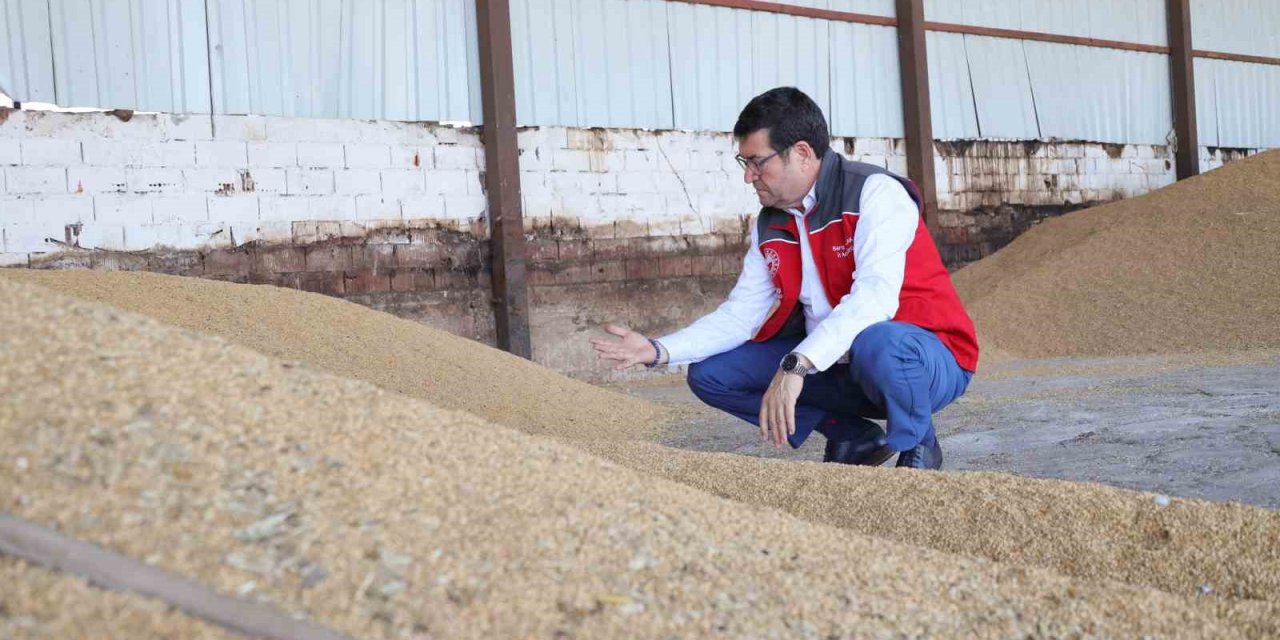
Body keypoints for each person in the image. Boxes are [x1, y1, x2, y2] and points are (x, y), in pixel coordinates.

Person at [590, 87, 978, 469]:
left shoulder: (875, 193)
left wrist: (796, 365)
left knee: (880, 341)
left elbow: (875, 298)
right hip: (838, 364)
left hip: (924, 361)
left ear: (803, 154)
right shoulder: (770, 223)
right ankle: (852, 435)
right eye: (745, 164)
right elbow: (741, 315)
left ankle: (918, 443)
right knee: (711, 375)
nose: (749, 177)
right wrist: (659, 350)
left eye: (758, 162)